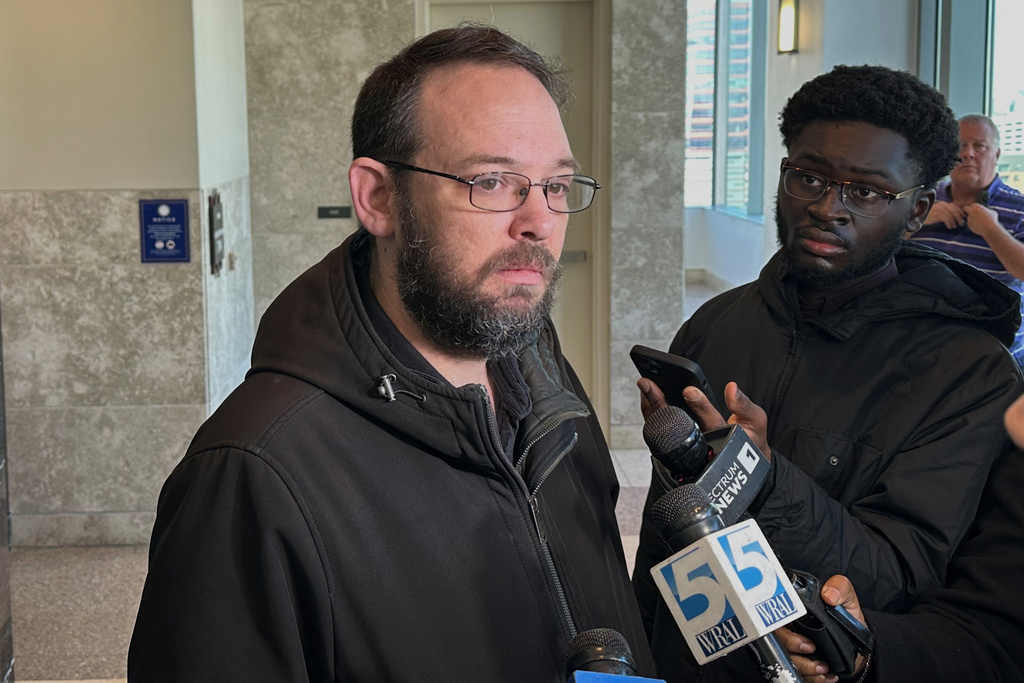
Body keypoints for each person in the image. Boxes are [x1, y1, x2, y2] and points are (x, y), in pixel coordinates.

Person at [128, 25, 654, 682]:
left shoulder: (546, 382)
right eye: (492, 181)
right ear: (378, 198)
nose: (539, 220)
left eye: (557, 184)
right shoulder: (250, 474)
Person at [631, 65, 1022, 682]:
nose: (826, 208)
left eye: (865, 191)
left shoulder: (968, 374)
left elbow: (896, 577)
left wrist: (755, 479)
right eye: (808, 177)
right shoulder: (716, 324)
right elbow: (668, 532)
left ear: (918, 210)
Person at [777, 393, 1024, 683]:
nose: (1015, 418)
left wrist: (768, 480)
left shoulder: (980, 380)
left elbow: (901, 576)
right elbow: (991, 636)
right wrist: (862, 649)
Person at [910, 114, 1024, 364]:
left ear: (996, 154)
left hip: (995, 358)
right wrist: (918, 220)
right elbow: (880, 250)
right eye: (960, 145)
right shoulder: (919, 201)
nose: (968, 154)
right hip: (920, 349)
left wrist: (992, 231)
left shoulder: (1020, 207)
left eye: (980, 146)